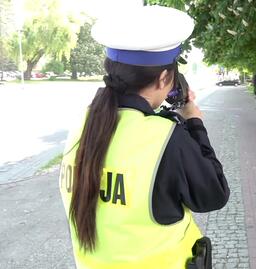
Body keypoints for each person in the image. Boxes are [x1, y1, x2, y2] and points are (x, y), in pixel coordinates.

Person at [58, 6, 229, 269]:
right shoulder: (165, 138)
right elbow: (214, 195)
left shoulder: (82, 124)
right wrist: (194, 122)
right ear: (163, 78)